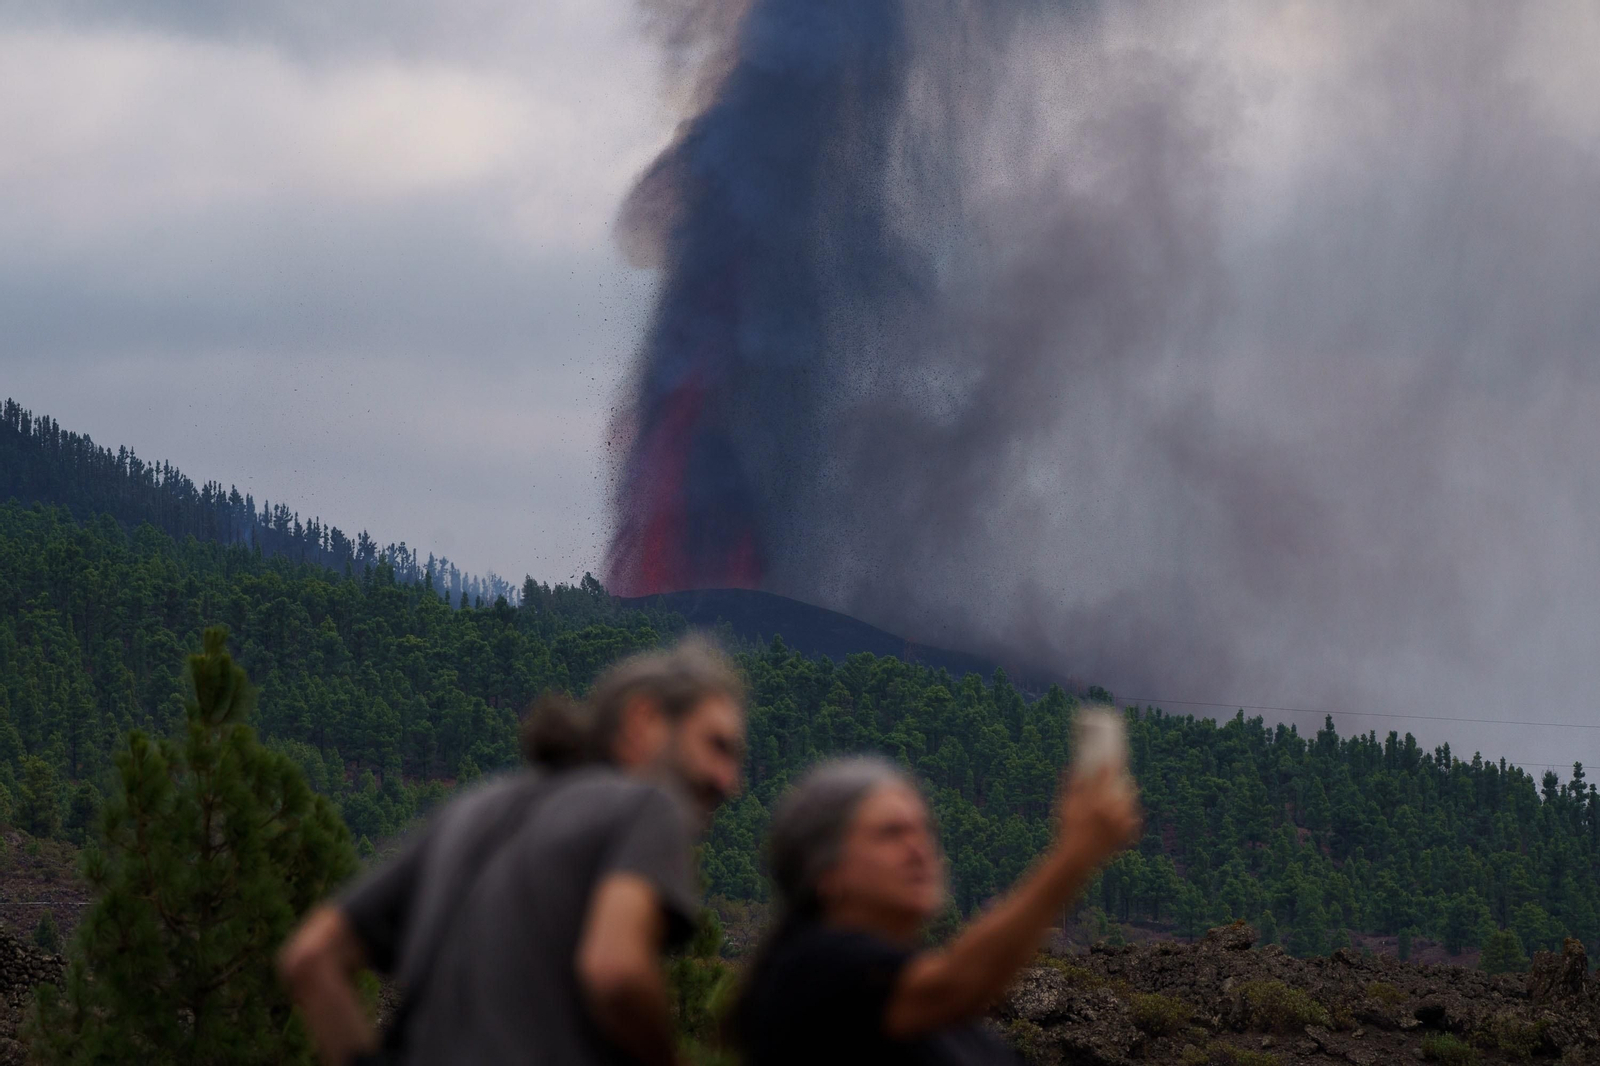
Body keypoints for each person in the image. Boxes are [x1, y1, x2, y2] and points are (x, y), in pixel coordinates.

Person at [278, 635, 747, 1066]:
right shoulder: (647, 806)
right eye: (716, 746)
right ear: (643, 721)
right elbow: (616, 969)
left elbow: (311, 957)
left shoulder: (474, 809)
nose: (729, 782)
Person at [732, 755, 1141, 1066]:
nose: (918, 848)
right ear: (825, 871)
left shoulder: (914, 992)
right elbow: (956, 984)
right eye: (891, 833)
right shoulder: (812, 968)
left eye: (923, 830)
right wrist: (1074, 856)